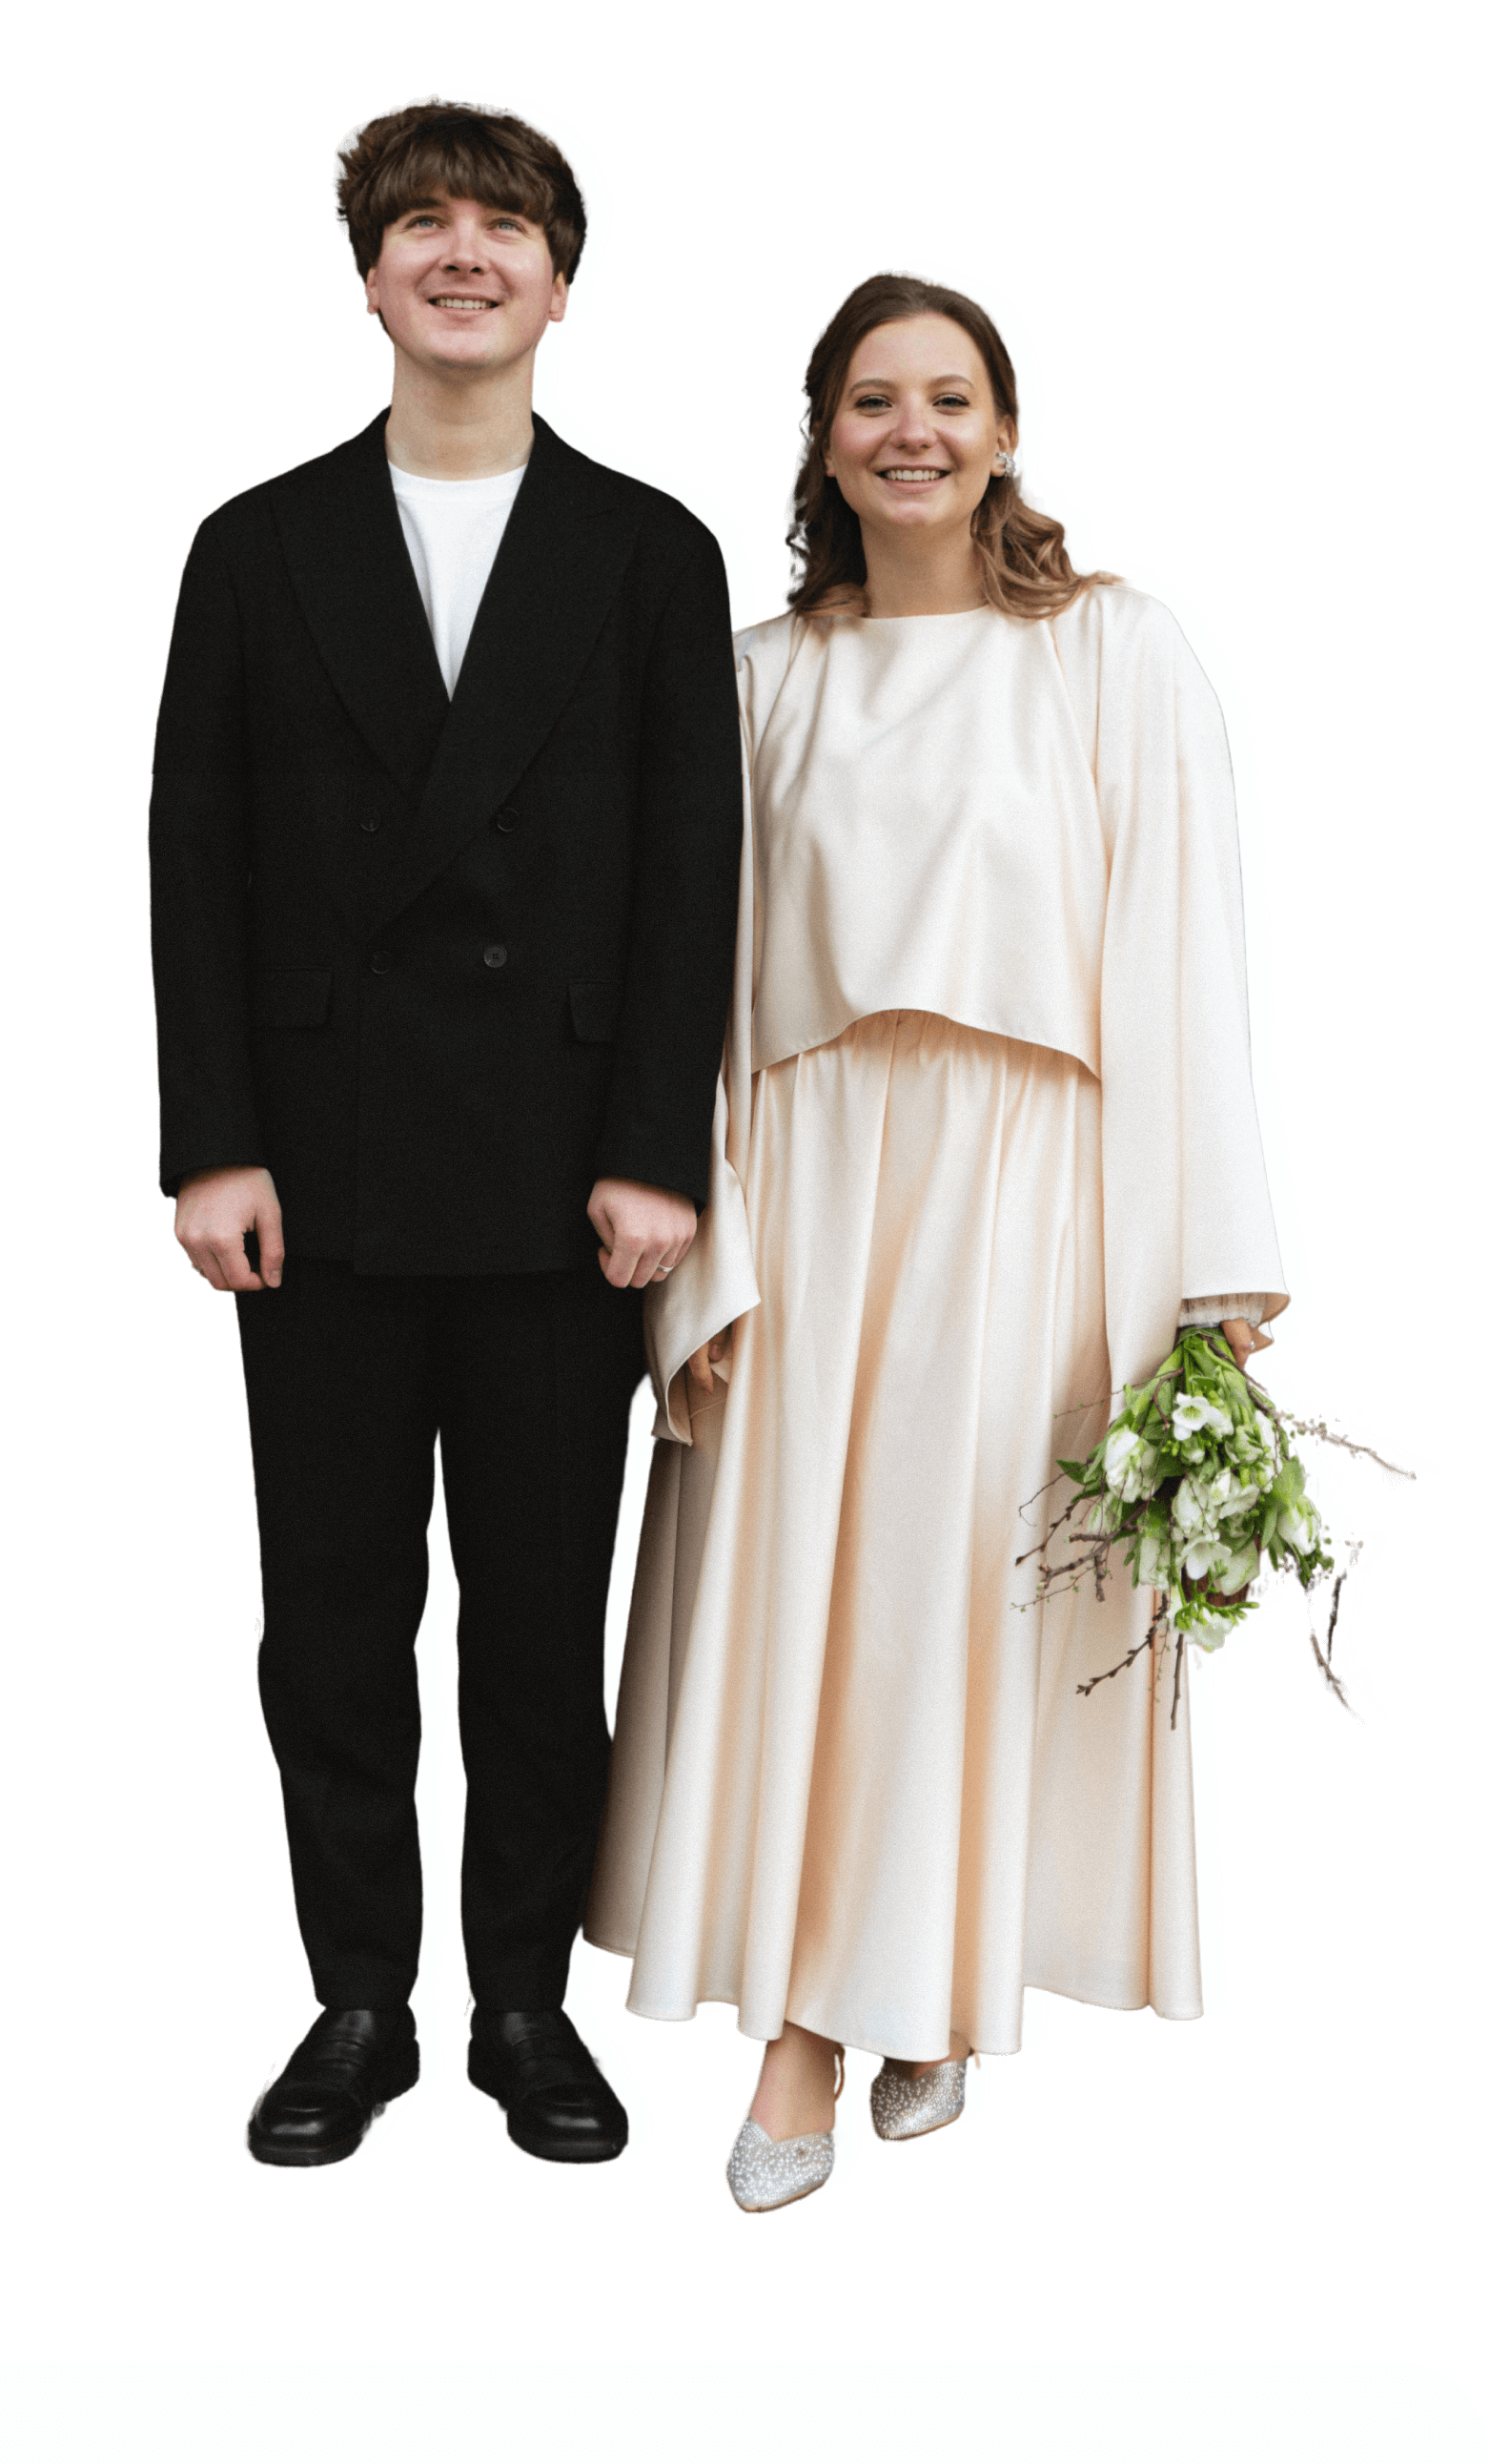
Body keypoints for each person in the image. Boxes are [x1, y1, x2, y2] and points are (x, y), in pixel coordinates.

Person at [582, 271, 1298, 2214]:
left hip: (1026, 1189)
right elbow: (687, 983)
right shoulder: (763, 677)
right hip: (812, 1180)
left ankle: (839, 2026)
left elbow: (1203, 954)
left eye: (953, 397)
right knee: (808, 1605)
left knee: (949, 1602)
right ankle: (888, 2009)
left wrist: (1214, 1271)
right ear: (824, 440)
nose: (914, 430)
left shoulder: (1125, 645)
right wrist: (701, 1242)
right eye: (874, 399)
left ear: (1010, 430)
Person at [147, 97, 743, 2170]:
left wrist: (658, 1144)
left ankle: (521, 2002)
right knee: (326, 1612)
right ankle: (351, 2001)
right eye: (423, 222)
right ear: (370, 275)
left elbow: (696, 875)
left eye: (504, 223)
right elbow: (190, 855)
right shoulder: (255, 539)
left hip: (566, 1173)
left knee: (539, 1619)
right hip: (311, 1165)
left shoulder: (657, 546)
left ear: (568, 279)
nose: (461, 252)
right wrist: (210, 1140)